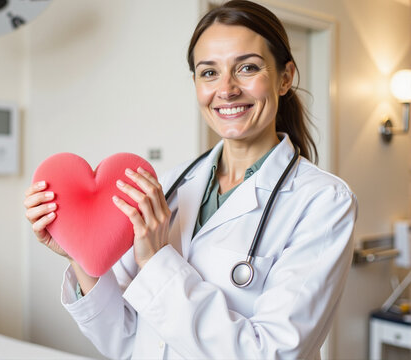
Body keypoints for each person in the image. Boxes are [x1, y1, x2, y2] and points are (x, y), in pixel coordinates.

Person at [23, 1, 357, 358]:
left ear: (285, 77)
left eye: (247, 68)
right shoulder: (166, 185)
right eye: (209, 72)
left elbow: (273, 353)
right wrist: (78, 252)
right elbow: (123, 341)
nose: (226, 89)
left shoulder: (323, 201)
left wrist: (155, 259)